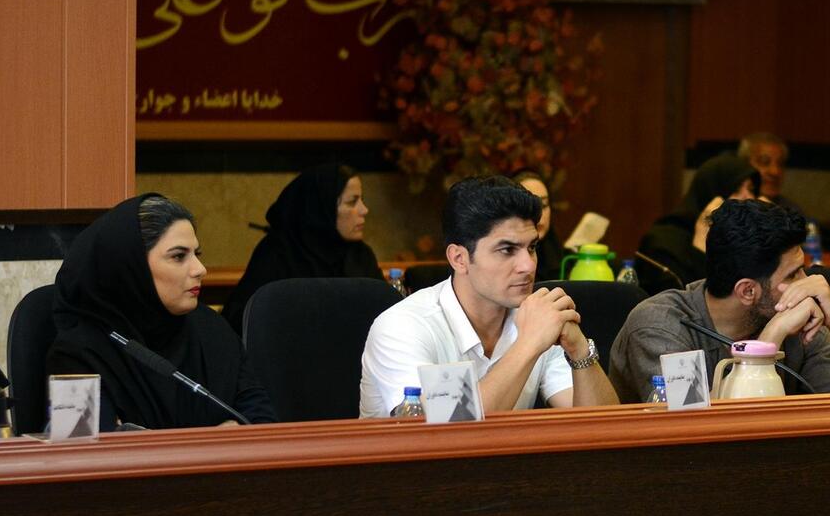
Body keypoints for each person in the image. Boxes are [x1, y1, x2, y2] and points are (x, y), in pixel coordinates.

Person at [360, 176, 618, 417]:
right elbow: (448, 430)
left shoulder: (534, 316)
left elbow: (602, 428)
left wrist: (579, 349)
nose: (528, 265)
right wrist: (529, 343)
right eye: (507, 250)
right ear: (459, 259)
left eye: (531, 247)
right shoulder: (402, 326)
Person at [610, 199, 830, 403]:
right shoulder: (661, 325)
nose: (807, 282)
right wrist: (768, 341)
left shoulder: (801, 315)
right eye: (793, 274)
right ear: (747, 291)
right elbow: (696, 431)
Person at [47, 194, 276, 430]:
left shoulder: (211, 327)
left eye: (196, 254)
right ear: (133, 266)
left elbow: (260, 418)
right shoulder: (76, 354)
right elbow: (84, 445)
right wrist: (209, 441)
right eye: (178, 256)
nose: (200, 269)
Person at [221, 163, 383, 335]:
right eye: (352, 202)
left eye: (362, 200)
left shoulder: (360, 254)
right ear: (321, 207)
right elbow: (244, 320)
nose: (364, 210)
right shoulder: (278, 253)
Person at [636, 153, 759, 294]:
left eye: (751, 189)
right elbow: (682, 302)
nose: (749, 197)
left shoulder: (739, 238)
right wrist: (702, 245)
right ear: (711, 191)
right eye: (735, 189)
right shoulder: (664, 242)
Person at [514, 170, 565, 282]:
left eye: (544, 205)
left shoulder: (563, 258)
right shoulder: (503, 259)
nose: (540, 214)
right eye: (530, 205)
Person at [738, 132, 803, 215]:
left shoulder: (791, 212)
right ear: (743, 165)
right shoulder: (728, 208)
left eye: (780, 164)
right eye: (764, 162)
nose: (775, 171)